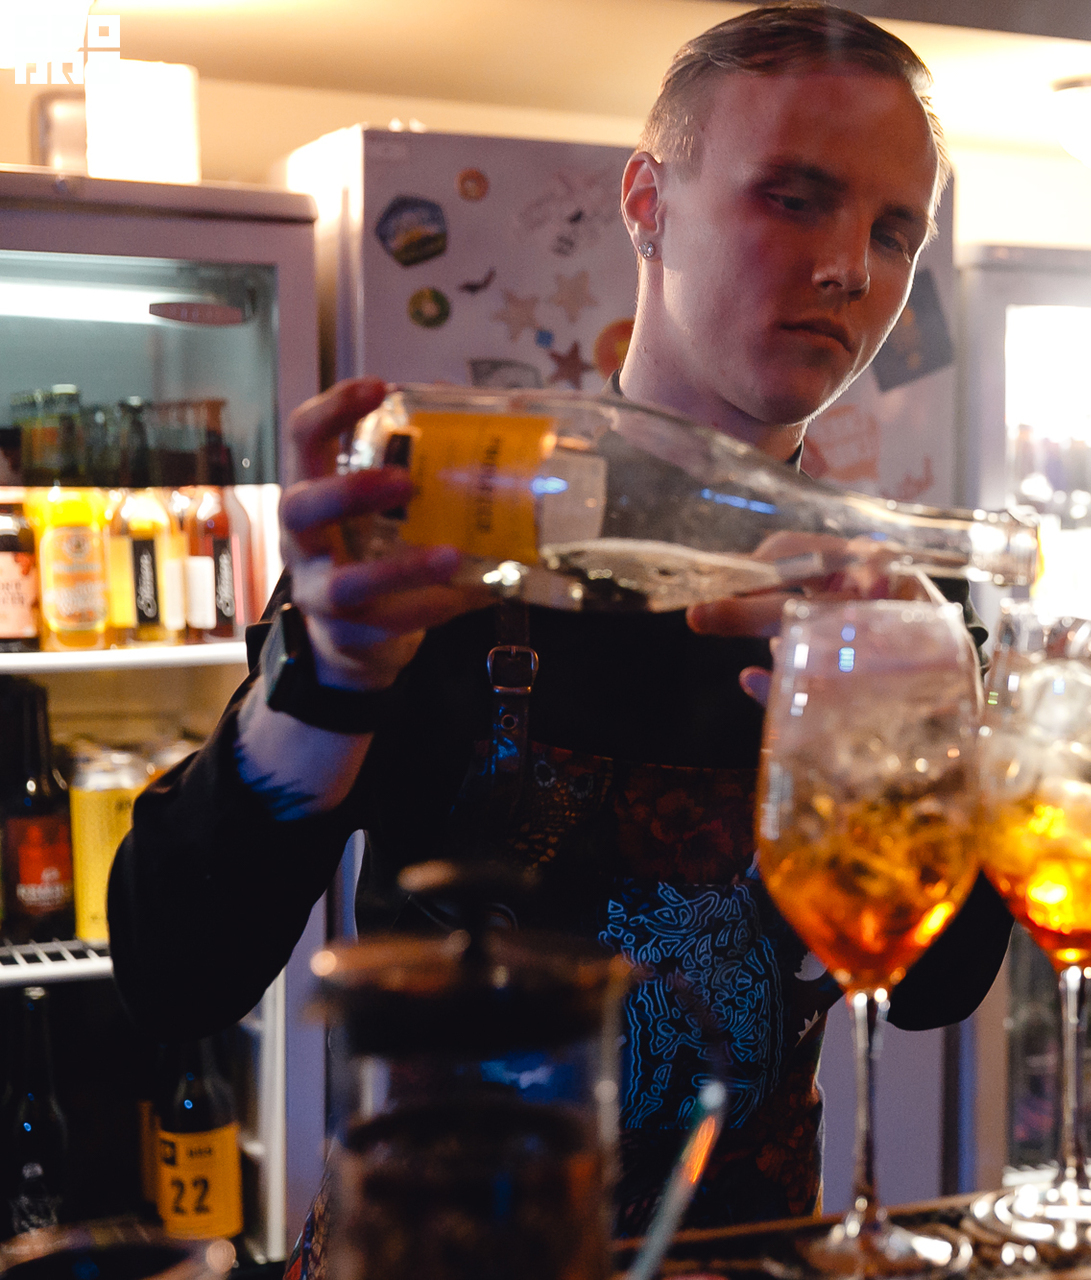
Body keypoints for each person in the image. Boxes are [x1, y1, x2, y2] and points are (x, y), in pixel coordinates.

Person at [105, 0, 1012, 1259]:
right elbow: (173, 972)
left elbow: (936, 990)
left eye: (894, 230)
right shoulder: (441, 537)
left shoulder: (891, 608)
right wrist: (323, 686)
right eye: (795, 197)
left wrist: (927, 752)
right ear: (648, 203)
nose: (852, 267)